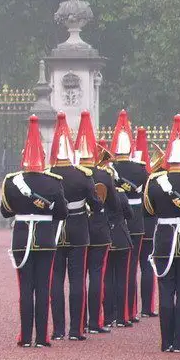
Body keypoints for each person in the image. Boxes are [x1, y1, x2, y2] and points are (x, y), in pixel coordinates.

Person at [0, 115, 68, 347]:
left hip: (21, 238)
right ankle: (41, 337)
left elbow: (5, 211)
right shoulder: (53, 182)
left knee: (25, 289)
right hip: (45, 238)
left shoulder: (12, 181)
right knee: (43, 287)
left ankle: (26, 337)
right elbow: (62, 213)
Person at [144, 114, 180, 353]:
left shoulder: (155, 182)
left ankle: (166, 341)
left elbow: (149, 211)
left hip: (164, 239)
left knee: (166, 291)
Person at [48, 112, 101, 341]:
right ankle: (76, 330)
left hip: (54, 230)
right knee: (77, 279)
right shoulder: (83, 175)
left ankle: (58, 330)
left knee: (56, 280)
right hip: (78, 228)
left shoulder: (49, 175)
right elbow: (96, 204)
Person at [75, 111, 118, 335]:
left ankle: (78, 322)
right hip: (100, 230)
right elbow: (115, 206)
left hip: (79, 231)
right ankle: (94, 322)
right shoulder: (103, 176)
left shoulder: (70, 173)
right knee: (96, 277)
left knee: (78, 279)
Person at [109, 110, 149, 323]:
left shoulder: (110, 168)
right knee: (131, 268)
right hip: (136, 219)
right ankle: (129, 311)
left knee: (114, 269)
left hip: (116, 218)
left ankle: (114, 311)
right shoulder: (140, 169)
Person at [100, 137, 134, 329]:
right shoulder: (120, 193)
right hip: (121, 237)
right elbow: (129, 214)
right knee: (121, 278)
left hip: (106, 237)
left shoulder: (99, 193)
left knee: (107, 279)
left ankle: (108, 316)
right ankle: (121, 317)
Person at [134, 127, 158, 318]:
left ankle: (128, 309)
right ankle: (146, 308)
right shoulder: (147, 176)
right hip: (148, 225)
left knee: (129, 268)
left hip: (130, 225)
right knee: (147, 265)